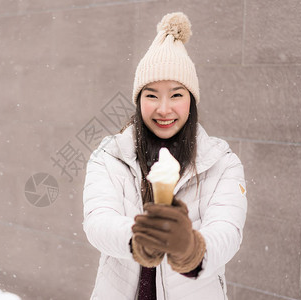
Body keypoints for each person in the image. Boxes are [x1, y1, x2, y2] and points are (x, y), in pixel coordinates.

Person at [82, 12, 247, 300]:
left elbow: (228, 230)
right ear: (138, 100)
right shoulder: (109, 155)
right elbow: (98, 221)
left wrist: (191, 248)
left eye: (176, 94)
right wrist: (137, 240)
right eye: (151, 95)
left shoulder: (222, 162)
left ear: (191, 100)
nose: (163, 109)